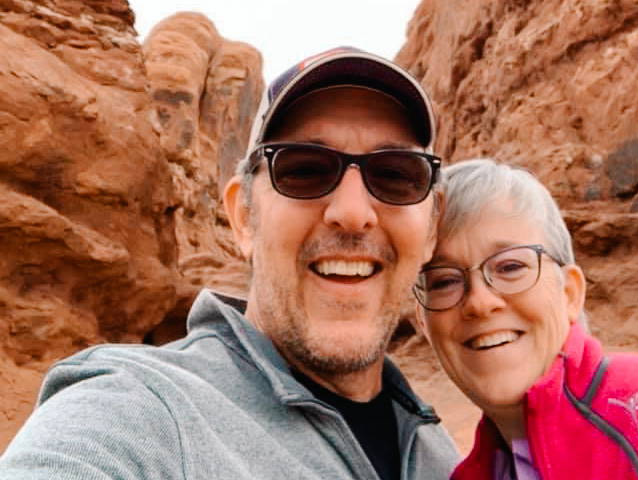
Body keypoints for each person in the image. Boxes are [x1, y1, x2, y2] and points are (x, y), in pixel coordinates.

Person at [0, 47, 459, 479]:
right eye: (303, 170)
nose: (353, 213)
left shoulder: (443, 455)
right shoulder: (140, 408)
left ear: (432, 228)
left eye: (397, 175)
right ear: (244, 218)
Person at [412, 158, 638, 480]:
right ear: (424, 322)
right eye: (444, 281)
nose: (479, 302)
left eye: (510, 267)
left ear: (570, 293)